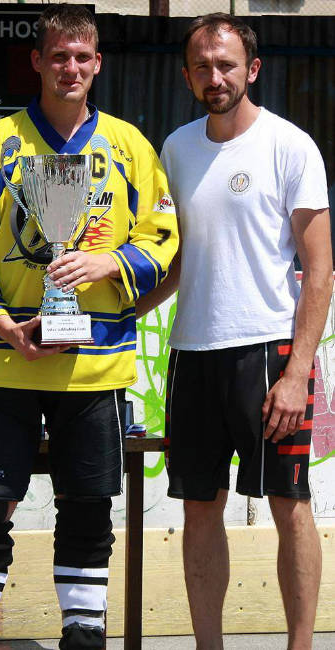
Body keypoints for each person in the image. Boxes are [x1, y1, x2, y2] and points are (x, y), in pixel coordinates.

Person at [0, 4, 178, 649]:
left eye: (81, 57)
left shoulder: (129, 146)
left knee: (88, 506)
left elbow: (162, 237)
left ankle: (83, 630)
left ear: (97, 63)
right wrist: (5, 327)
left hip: (95, 369)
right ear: (37, 62)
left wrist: (109, 261)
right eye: (58, 57)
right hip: (4, 363)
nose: (70, 69)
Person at [137, 13, 332, 650]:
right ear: (186, 75)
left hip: (270, 354)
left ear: (252, 70)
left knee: (289, 504)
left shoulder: (290, 146)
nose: (214, 76)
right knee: (199, 509)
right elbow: (179, 261)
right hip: (192, 354)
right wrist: (123, 312)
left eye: (226, 65)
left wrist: (297, 373)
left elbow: (320, 270)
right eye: (202, 66)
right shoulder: (175, 149)